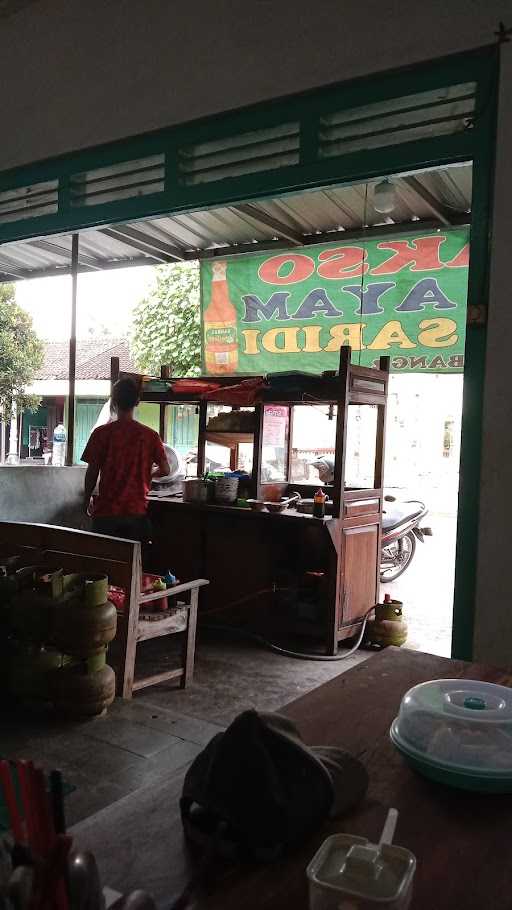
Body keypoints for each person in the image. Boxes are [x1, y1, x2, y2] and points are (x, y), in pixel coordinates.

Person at [81, 378, 170, 541]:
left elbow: (92, 473)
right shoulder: (150, 436)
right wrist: (148, 474)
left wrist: (86, 500)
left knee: (105, 562)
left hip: (106, 515)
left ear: (113, 401)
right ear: (137, 401)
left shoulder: (101, 434)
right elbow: (166, 469)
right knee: (134, 563)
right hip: (136, 514)